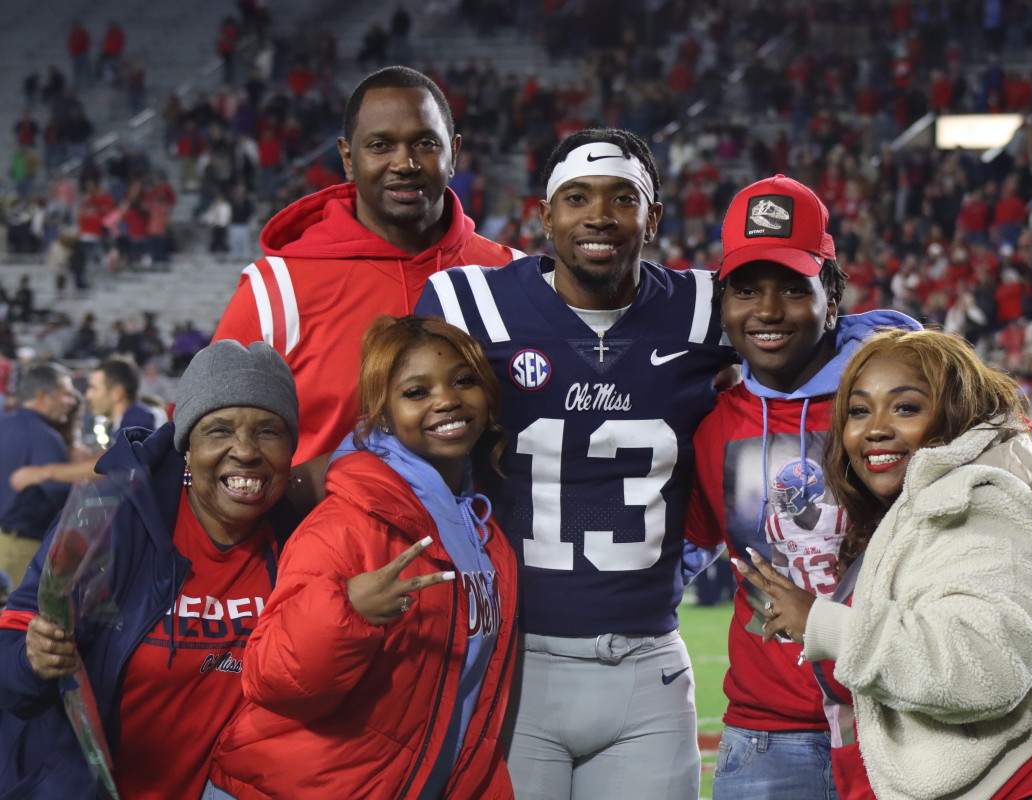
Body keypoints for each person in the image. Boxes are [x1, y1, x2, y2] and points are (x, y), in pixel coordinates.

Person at [685, 175, 1032, 800]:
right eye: (746, 291)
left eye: (793, 288)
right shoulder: (709, 421)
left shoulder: (894, 382)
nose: (768, 310)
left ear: (831, 298)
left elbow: (1017, 438)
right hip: (765, 735)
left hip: (901, 720)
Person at [416, 128, 734, 800]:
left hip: (649, 662)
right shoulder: (468, 306)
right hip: (517, 665)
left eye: (623, 198)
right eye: (578, 197)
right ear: (544, 215)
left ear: (652, 218)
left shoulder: (708, 311)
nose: (599, 215)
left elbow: (818, 343)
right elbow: (402, 437)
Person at [737, 328, 1032, 800]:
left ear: (954, 417)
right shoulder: (920, 504)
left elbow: (983, 671)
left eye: (906, 407)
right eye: (859, 410)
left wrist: (821, 622)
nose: (876, 427)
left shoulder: (979, 505)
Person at [205, 316, 518, 800]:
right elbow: (272, 680)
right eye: (416, 392)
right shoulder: (346, 521)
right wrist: (346, 612)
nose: (446, 399)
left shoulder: (487, 535)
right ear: (382, 415)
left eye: (464, 380)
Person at [0, 340, 299, 799]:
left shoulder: (302, 542)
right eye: (218, 430)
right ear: (186, 445)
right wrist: (32, 659)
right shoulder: (110, 519)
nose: (245, 450)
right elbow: (12, 643)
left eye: (268, 431)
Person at [213, 66, 522, 464]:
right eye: (380, 146)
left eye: (425, 143)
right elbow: (212, 449)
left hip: (485, 526)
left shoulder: (515, 276)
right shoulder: (276, 290)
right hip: (322, 527)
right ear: (347, 157)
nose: (405, 163)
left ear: (454, 153)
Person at [7, 358, 168, 492]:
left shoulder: (140, 419)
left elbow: (118, 464)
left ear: (117, 393)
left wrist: (45, 472)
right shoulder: (120, 424)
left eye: (93, 388)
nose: (88, 395)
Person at [0, 363, 77, 581]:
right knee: (20, 614)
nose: (72, 401)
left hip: (6, 543)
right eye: (66, 395)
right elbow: (65, 499)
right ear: (43, 395)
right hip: (21, 548)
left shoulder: (4, 424)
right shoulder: (44, 436)